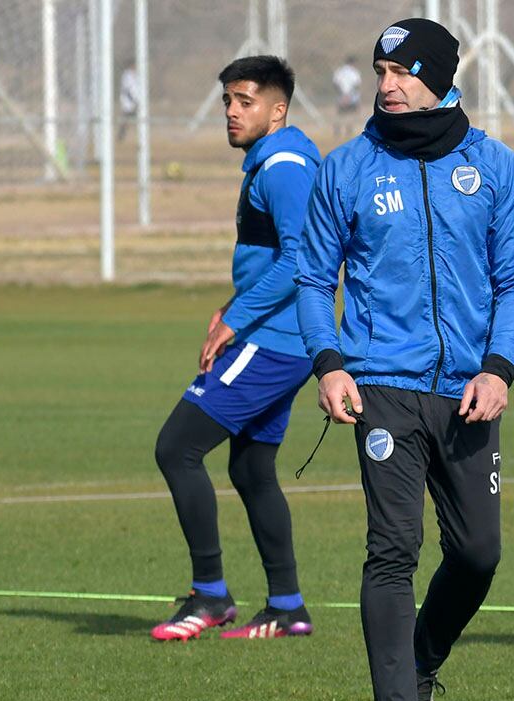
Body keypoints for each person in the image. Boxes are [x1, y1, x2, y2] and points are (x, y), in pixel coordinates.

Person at [297, 19, 514, 701]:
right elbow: (312, 277)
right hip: (382, 390)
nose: (386, 85)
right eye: (380, 71)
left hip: (470, 390)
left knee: (478, 555)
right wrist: (330, 361)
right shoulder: (346, 169)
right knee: (391, 550)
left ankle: (422, 661)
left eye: (401, 71)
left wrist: (498, 368)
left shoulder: (491, 166)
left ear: (437, 74)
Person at [151, 55, 321, 642]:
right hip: (276, 335)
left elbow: (303, 262)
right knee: (251, 468)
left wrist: (237, 319)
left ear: (278, 109)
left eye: (245, 101)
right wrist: (230, 307)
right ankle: (287, 605)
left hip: (275, 341)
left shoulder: (284, 167)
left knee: (176, 447)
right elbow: (275, 257)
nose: (231, 111)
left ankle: (210, 595)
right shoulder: (274, 159)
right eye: (227, 100)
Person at [331, 55, 362, 138]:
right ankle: (349, 129)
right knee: (350, 114)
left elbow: (335, 83)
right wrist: (348, 95)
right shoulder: (354, 72)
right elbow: (356, 85)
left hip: (340, 95)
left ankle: (337, 130)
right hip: (351, 96)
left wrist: (342, 94)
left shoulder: (339, 71)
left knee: (340, 114)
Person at [117, 59, 139, 142]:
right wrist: (133, 100)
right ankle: (121, 136)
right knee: (126, 118)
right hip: (128, 101)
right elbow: (127, 89)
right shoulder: (127, 75)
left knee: (128, 119)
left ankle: (122, 135)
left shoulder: (134, 75)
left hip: (133, 100)